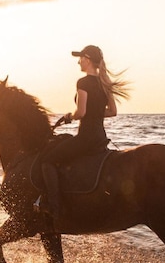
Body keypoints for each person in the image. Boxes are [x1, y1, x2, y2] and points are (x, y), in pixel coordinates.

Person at [40, 45, 130, 220]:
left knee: (47, 160)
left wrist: (69, 116)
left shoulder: (83, 82)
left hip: (86, 138)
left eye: (80, 59)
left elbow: (81, 112)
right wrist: (95, 112)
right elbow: (112, 111)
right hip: (100, 138)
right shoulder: (105, 83)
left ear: (87, 60)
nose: (78, 62)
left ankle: (54, 206)